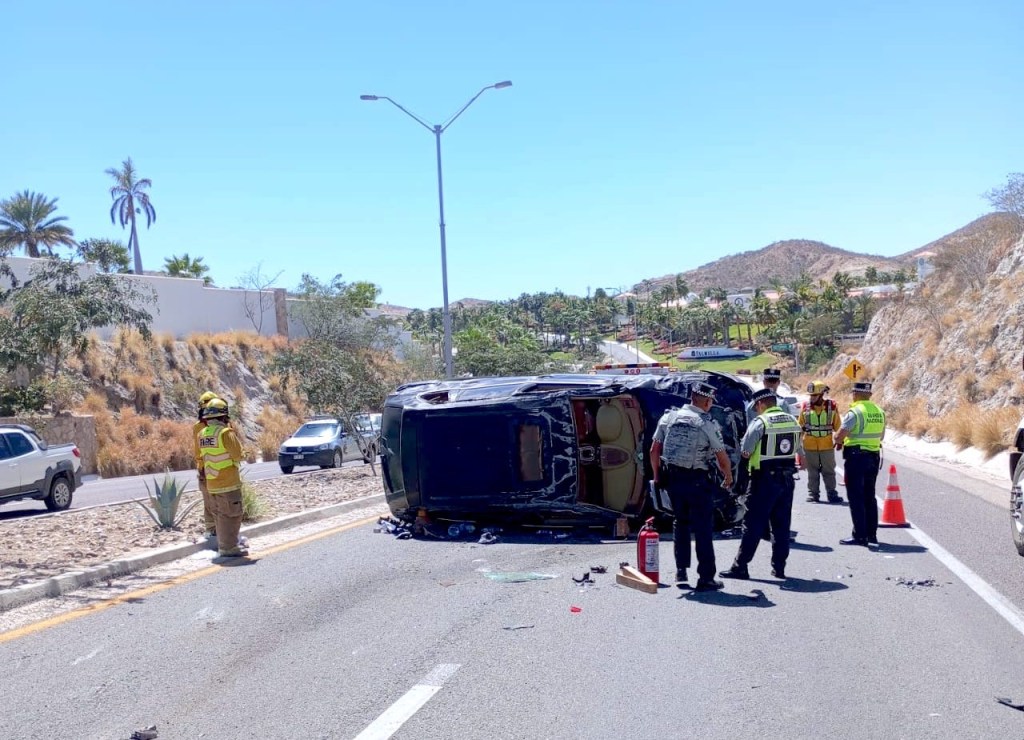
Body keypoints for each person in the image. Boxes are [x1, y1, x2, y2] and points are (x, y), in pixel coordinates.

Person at [651, 381, 733, 592]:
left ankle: (681, 572)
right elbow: (721, 455)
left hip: (673, 479)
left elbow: (654, 450)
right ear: (707, 402)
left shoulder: (669, 417)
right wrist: (728, 476)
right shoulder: (706, 423)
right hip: (697, 480)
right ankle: (706, 578)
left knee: (680, 523)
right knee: (703, 527)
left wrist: (658, 476)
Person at [721, 387, 802, 580]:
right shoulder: (792, 421)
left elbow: (745, 452)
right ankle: (779, 568)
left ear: (760, 404)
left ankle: (740, 567)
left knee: (753, 524)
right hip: (787, 480)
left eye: (756, 407)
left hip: (763, 481)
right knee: (781, 525)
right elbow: (800, 450)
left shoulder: (761, 422)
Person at [834, 380, 886, 546]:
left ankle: (860, 536)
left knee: (856, 497)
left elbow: (840, 435)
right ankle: (872, 535)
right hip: (874, 457)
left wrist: (838, 439)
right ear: (869, 395)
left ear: (855, 394)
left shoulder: (855, 412)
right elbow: (881, 436)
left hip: (856, 458)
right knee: (869, 496)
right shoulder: (879, 411)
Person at [197, 398, 248, 558]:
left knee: (220, 515)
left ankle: (224, 545)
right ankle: (228, 547)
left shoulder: (202, 433)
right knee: (232, 515)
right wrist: (244, 453)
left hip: (212, 482)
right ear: (224, 415)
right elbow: (238, 455)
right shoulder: (225, 433)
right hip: (228, 481)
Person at [798, 380, 841, 503]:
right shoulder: (805, 407)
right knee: (812, 472)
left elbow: (838, 426)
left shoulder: (832, 407)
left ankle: (832, 494)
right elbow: (799, 427)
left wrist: (840, 442)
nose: (811, 398)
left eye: (814, 395)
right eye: (810, 395)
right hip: (809, 446)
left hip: (826, 446)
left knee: (829, 472)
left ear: (822, 395)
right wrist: (798, 448)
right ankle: (813, 494)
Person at [193, 391, 220, 539]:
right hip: (210, 470)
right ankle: (213, 529)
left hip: (216, 470)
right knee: (211, 502)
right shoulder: (199, 428)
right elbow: (199, 451)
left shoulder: (199, 427)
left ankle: (218, 529)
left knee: (216, 502)